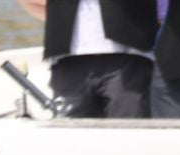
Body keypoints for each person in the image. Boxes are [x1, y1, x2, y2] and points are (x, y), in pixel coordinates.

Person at [17, 0, 159, 117]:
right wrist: (61, 17)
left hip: (127, 55)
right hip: (68, 61)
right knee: (72, 139)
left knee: (129, 136)